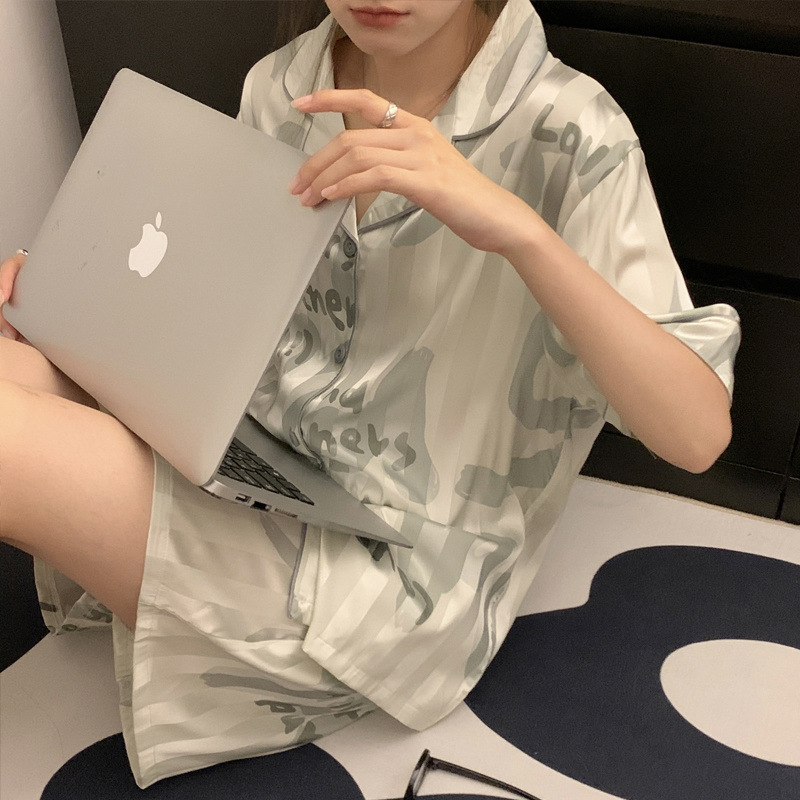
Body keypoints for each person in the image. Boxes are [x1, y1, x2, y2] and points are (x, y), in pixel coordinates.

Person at [0, 0, 740, 789]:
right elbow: (225, 310)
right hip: (251, 457)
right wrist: (73, 302)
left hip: (387, 575)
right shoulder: (284, 85)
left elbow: (696, 436)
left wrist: (516, 229)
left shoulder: (573, 129)